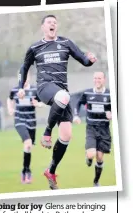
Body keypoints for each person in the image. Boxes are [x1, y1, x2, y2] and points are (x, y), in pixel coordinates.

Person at [17, 14, 97, 189]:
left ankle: (51, 170)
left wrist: (90, 60)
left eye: (55, 22)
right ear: (43, 27)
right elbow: (24, 67)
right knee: (63, 97)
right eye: (49, 22)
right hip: (45, 88)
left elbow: (83, 59)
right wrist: (20, 86)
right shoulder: (35, 47)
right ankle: (46, 133)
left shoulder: (66, 43)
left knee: (66, 135)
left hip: (62, 93)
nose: (52, 24)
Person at [73, 71, 112, 187]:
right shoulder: (87, 93)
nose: (97, 80)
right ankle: (88, 158)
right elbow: (78, 103)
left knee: (99, 157)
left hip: (104, 129)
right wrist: (76, 115)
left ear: (104, 79)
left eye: (99, 78)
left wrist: (112, 114)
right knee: (91, 154)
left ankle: (96, 181)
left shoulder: (110, 94)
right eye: (95, 78)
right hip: (91, 128)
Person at [7, 73, 43, 184]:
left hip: (31, 122)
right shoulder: (15, 90)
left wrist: (37, 104)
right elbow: (9, 99)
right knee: (27, 143)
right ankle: (27, 172)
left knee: (28, 148)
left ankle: (25, 169)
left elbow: (42, 103)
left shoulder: (35, 90)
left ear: (29, 77)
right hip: (19, 120)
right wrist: (10, 109)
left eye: (26, 76)